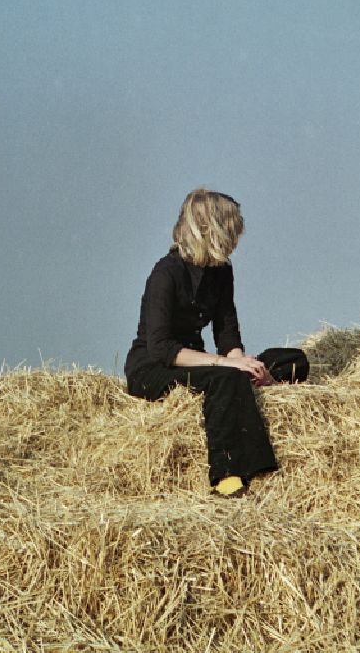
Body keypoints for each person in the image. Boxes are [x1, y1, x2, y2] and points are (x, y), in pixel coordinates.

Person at [125, 188, 305, 498]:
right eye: (233, 227)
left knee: (295, 359)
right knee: (225, 378)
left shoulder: (221, 272)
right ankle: (227, 477)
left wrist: (247, 365)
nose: (237, 236)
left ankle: (262, 382)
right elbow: (161, 348)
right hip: (154, 368)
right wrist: (227, 364)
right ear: (213, 229)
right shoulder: (165, 274)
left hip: (202, 364)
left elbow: (227, 332)